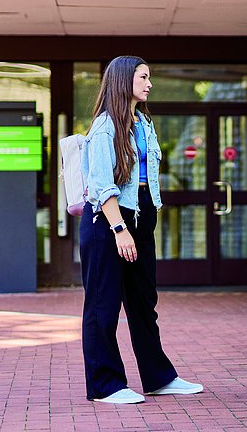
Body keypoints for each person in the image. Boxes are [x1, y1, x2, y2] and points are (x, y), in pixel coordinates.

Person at [79, 55, 203, 404]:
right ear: (123, 81)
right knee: (103, 305)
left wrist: (140, 221)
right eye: (143, 77)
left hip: (140, 215)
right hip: (108, 221)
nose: (150, 84)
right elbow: (102, 185)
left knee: (144, 303)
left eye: (150, 77)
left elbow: (147, 177)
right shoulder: (105, 126)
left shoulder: (142, 123)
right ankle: (106, 386)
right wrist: (119, 229)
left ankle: (158, 378)